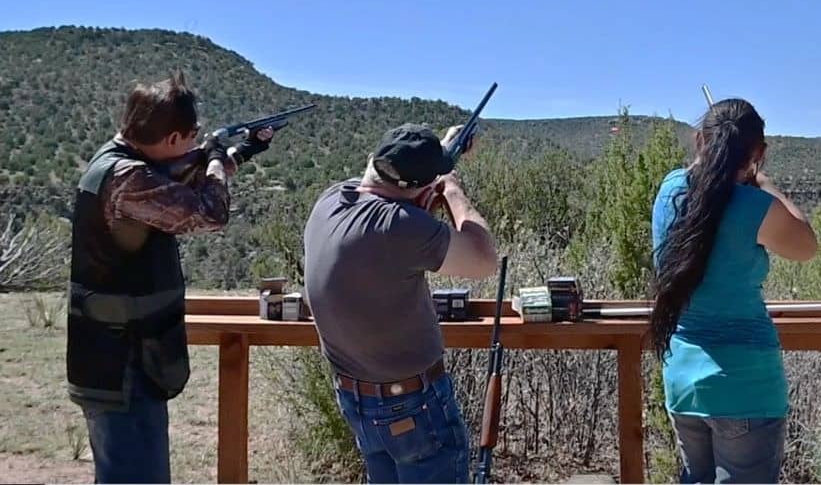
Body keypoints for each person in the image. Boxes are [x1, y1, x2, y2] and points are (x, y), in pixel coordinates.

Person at [66, 70, 272, 484]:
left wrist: (245, 150)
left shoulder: (127, 163)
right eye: (191, 137)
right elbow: (210, 212)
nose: (196, 143)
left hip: (125, 351)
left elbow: (183, 180)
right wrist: (213, 157)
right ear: (173, 140)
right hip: (119, 360)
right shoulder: (128, 178)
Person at [303, 122, 498, 484]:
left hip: (358, 400)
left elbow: (381, 191)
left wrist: (439, 154)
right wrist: (451, 189)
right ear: (418, 189)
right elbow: (484, 258)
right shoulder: (400, 226)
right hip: (414, 407)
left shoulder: (331, 201)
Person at [649, 98, 818, 484]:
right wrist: (766, 184)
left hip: (682, 379)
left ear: (699, 140)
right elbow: (806, 245)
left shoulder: (669, 190)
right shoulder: (753, 206)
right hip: (745, 383)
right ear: (757, 153)